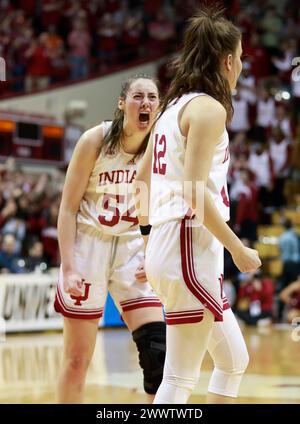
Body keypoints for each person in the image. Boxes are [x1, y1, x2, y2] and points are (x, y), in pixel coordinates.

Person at [135, 6, 261, 404]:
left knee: (233, 360)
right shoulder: (208, 108)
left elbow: (141, 180)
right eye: (240, 58)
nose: (240, 65)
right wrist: (237, 247)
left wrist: (146, 241)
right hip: (189, 245)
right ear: (227, 60)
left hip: (172, 243)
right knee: (178, 380)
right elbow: (192, 190)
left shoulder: (173, 108)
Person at [54, 74, 166, 403]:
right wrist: (70, 267)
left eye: (152, 97)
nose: (146, 102)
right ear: (122, 104)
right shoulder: (95, 140)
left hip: (133, 246)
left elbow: (163, 206)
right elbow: (67, 209)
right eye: (138, 96)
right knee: (77, 361)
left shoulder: (161, 147)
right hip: (89, 244)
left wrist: (153, 250)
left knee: (157, 352)